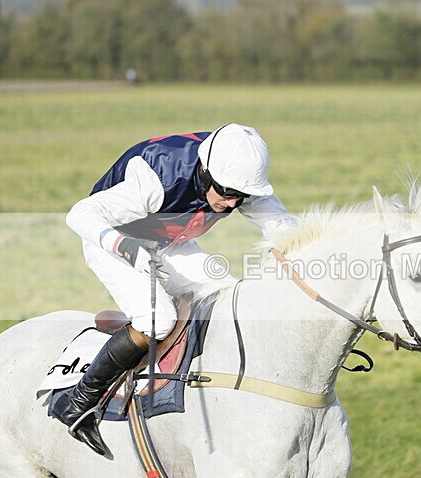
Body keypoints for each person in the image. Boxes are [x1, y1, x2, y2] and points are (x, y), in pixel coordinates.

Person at [54, 124, 293, 456]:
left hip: (166, 242)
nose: (230, 202)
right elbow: (81, 213)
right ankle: (78, 401)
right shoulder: (158, 176)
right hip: (114, 240)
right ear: (206, 170)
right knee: (157, 321)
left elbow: (285, 230)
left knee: (228, 296)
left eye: (240, 196)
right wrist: (124, 246)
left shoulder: (235, 177)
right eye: (225, 192)